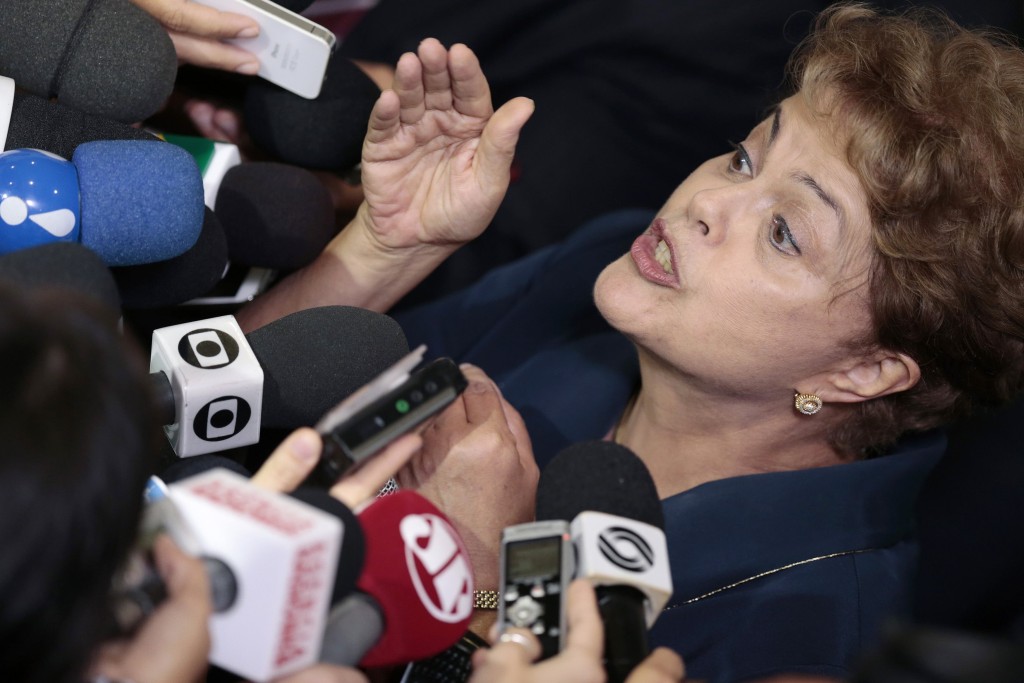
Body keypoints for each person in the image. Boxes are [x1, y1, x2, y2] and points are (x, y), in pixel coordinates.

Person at [234, 4, 1024, 682]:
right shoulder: (600, 275)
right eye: (747, 155)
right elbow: (220, 420)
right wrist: (385, 250)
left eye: (784, 232)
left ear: (868, 368)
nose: (711, 199)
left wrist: (481, 583)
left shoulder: (812, 632)